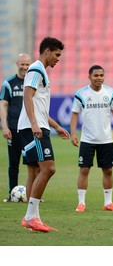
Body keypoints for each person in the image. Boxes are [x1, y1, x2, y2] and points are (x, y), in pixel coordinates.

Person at [18, 37, 69, 232]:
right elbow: (28, 96)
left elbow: (38, 106)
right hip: (33, 128)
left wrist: (56, 126)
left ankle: (34, 219)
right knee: (49, 168)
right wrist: (34, 124)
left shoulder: (41, 72)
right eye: (57, 55)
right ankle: (30, 217)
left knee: (35, 171)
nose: (58, 59)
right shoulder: (37, 69)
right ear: (47, 51)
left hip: (34, 125)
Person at [70, 65, 113, 213]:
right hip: (87, 140)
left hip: (106, 140)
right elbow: (75, 114)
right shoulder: (81, 94)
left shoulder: (110, 93)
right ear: (89, 77)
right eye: (96, 75)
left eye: (101, 75)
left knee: (108, 170)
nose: (99, 78)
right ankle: (81, 203)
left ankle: (108, 203)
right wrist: (73, 133)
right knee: (84, 170)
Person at [0, 53, 31, 202]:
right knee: (13, 163)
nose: (25, 67)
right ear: (17, 64)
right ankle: (12, 194)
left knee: (33, 163)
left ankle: (32, 196)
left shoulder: (33, 83)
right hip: (13, 128)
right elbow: (3, 104)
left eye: (27, 64)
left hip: (29, 129)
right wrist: (4, 126)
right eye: (22, 64)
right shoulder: (9, 83)